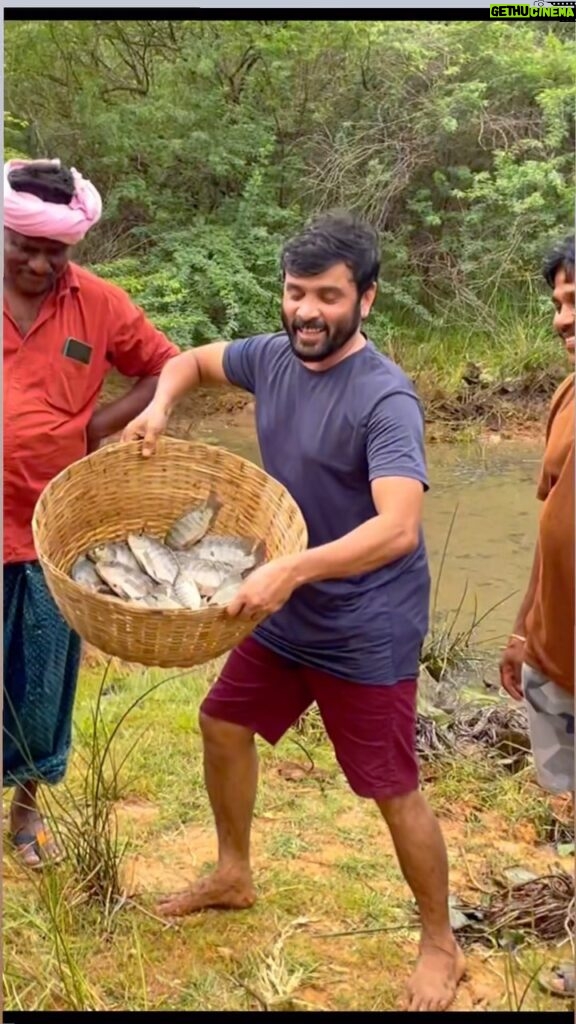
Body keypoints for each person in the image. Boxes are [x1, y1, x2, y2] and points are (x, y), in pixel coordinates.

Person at [122, 211, 466, 1012]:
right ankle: (234, 872)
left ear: (367, 300)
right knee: (221, 722)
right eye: (294, 292)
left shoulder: (386, 398)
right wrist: (160, 407)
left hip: (364, 621)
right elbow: (190, 361)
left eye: (327, 296)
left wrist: (290, 570)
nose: (307, 311)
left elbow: (397, 527)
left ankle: (440, 942)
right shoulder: (272, 359)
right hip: (286, 604)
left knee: (390, 787)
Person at [3, 158, 179, 869]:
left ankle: (25, 811)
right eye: (27, 246)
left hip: (56, 524)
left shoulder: (99, 303)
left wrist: (98, 427)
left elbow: (166, 365)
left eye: (57, 250)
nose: (42, 263)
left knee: (43, 674)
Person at [499, 234, 574, 1000]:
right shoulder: (565, 396)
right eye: (557, 303)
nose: (561, 318)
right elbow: (550, 525)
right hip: (556, 656)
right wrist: (524, 629)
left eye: (574, 302)